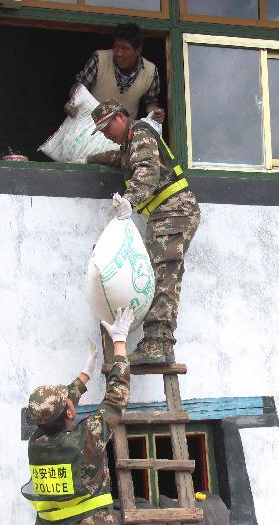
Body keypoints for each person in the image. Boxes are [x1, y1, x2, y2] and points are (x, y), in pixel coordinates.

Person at [21, 307, 134, 525]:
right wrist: (119, 343)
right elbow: (115, 399)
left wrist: (84, 375)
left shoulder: (36, 442)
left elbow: (57, 410)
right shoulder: (88, 439)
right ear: (69, 411)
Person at [86, 98, 200, 367]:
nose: (106, 135)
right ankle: (155, 341)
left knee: (162, 276)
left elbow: (146, 170)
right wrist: (90, 158)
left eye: (106, 128)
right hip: (168, 214)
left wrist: (129, 201)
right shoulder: (129, 144)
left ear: (120, 118)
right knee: (157, 274)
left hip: (175, 212)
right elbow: (121, 159)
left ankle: (158, 344)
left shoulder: (139, 132)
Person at [66, 22, 165, 123]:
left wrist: (155, 113)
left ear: (138, 50)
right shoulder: (99, 59)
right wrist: (74, 98)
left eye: (125, 48)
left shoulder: (151, 71)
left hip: (122, 132)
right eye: (116, 46)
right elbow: (81, 86)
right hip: (90, 124)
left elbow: (151, 102)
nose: (118, 53)